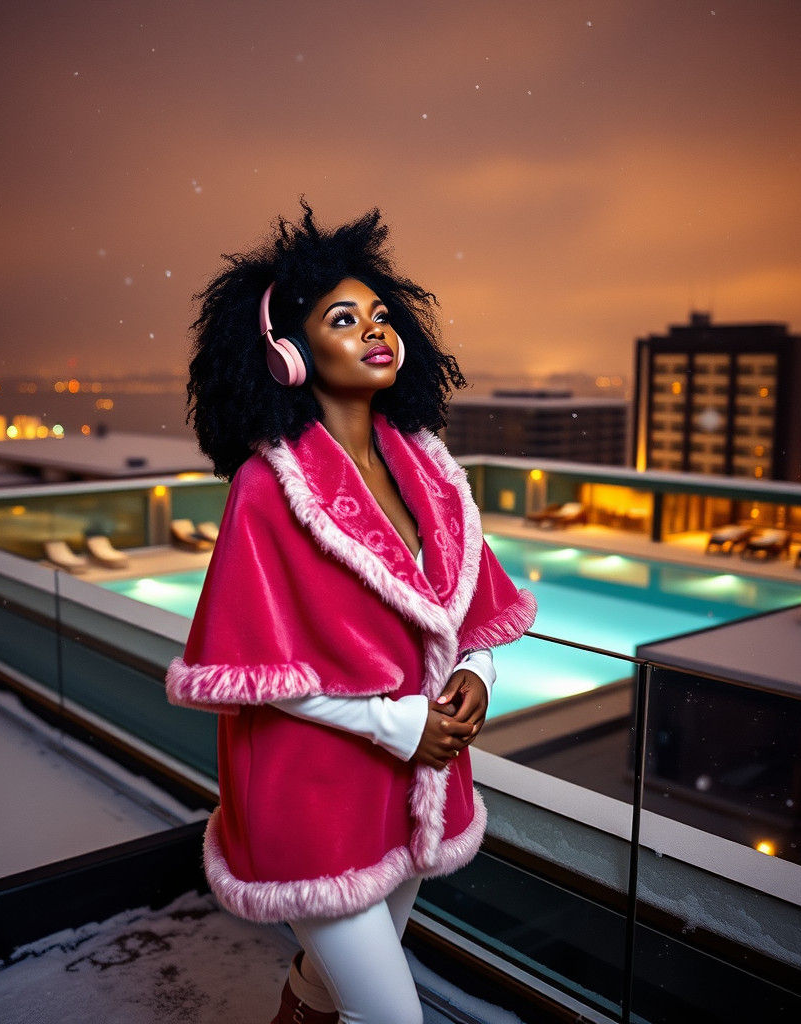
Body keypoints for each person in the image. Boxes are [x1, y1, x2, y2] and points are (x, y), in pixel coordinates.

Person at [167, 202, 536, 1024]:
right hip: (311, 796)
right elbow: (249, 674)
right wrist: (398, 723)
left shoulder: (432, 473)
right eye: (343, 317)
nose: (374, 329)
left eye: (379, 313)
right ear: (287, 354)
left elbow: (474, 616)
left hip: (409, 790)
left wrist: (477, 672)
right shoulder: (267, 491)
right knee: (392, 1016)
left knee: (329, 984)